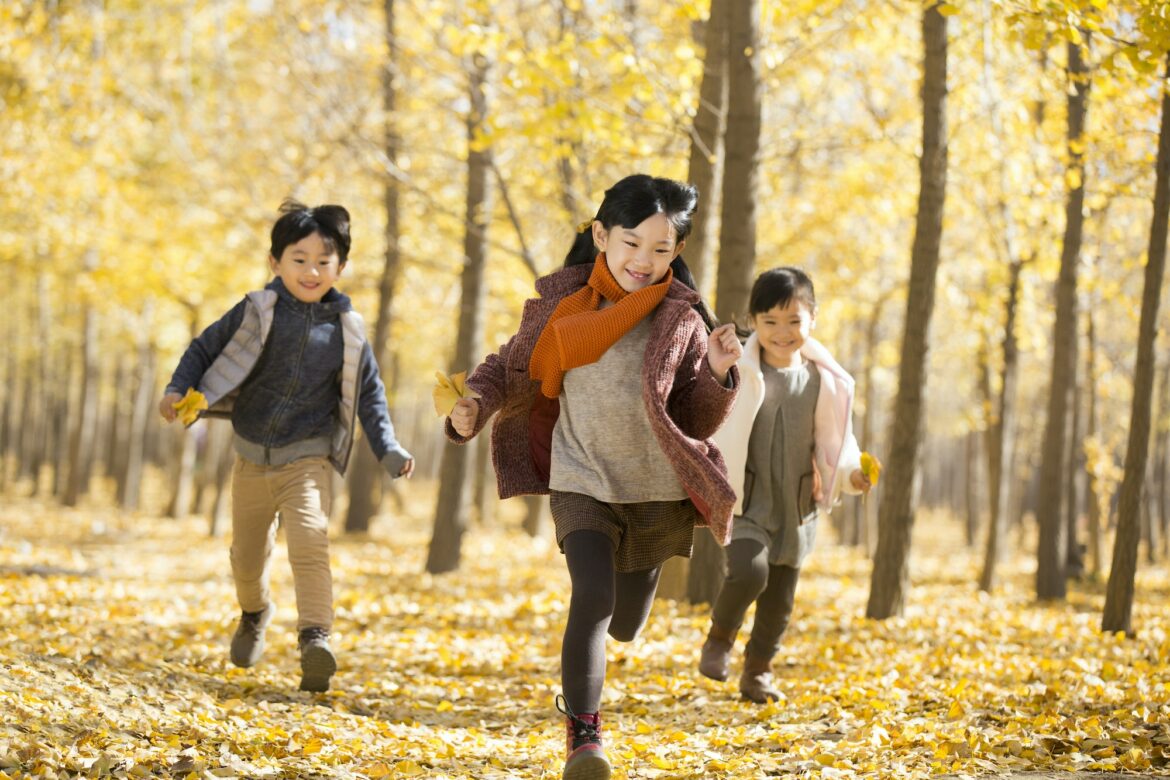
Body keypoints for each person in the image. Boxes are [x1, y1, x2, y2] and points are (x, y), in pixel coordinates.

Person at [444, 174, 741, 780]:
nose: (643, 260)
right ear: (602, 235)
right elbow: (510, 363)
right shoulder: (563, 304)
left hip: (654, 491)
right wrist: (475, 401)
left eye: (661, 249)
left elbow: (692, 416)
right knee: (594, 598)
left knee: (627, 621)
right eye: (632, 243)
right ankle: (584, 736)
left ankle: (602, 681)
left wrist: (714, 372)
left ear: (677, 252)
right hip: (581, 478)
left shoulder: (682, 318)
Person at [159, 200, 414, 693]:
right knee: (247, 559)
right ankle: (255, 613)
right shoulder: (257, 310)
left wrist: (388, 449)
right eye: (299, 259)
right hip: (252, 457)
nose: (312, 270)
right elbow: (202, 348)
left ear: (341, 266)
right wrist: (177, 389)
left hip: (308, 456)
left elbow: (371, 396)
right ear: (275, 263)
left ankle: (315, 639)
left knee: (310, 539)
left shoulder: (349, 330)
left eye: (324, 260)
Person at [698, 266, 874, 703]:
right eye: (770, 321)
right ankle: (719, 638)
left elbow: (839, 442)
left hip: (796, 506)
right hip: (747, 500)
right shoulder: (739, 367)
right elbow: (710, 411)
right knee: (749, 571)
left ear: (812, 317)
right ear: (754, 320)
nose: (782, 332)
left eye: (794, 321)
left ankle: (757, 672)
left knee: (779, 602)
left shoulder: (825, 380)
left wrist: (853, 474)